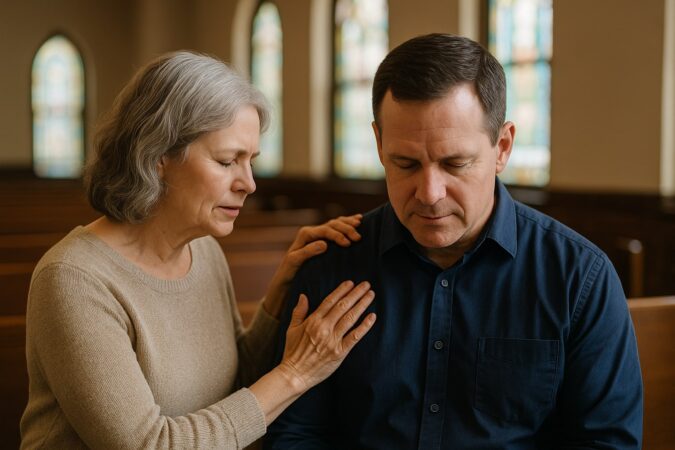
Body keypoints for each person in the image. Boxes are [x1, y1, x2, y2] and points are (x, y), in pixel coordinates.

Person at [266, 33, 643, 449]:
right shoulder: (331, 266)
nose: (429, 193)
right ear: (378, 144)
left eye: (455, 163)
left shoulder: (578, 277)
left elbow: (606, 443)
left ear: (502, 147)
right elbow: (296, 435)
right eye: (405, 163)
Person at [20, 51, 377, 449]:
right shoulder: (74, 279)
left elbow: (232, 386)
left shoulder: (204, 250)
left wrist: (281, 289)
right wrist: (297, 373)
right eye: (228, 161)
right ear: (158, 157)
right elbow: (149, 445)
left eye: (251, 162)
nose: (249, 183)